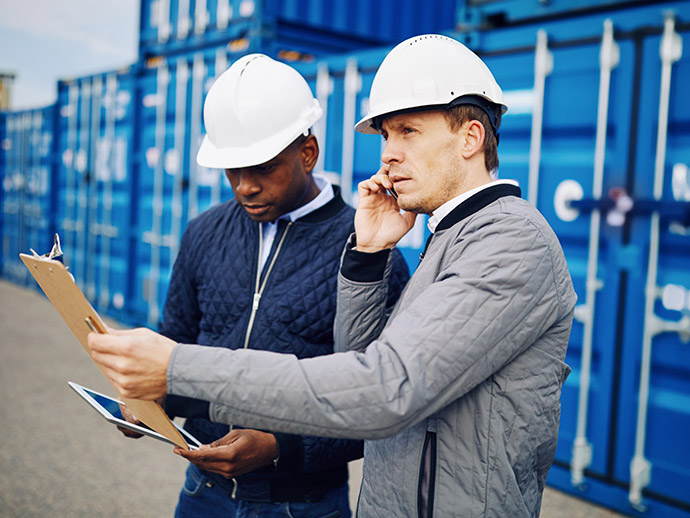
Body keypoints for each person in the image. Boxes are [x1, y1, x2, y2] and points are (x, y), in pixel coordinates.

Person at [90, 35, 576, 518]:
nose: (388, 154)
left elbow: (384, 390)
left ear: (470, 138)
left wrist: (178, 369)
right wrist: (367, 255)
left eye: (407, 131)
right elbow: (360, 364)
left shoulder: (511, 242)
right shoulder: (448, 238)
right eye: (385, 135)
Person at [123, 53, 410, 517]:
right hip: (202, 495)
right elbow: (176, 343)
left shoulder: (369, 251)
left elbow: (385, 400)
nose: (244, 187)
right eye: (232, 170)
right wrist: (149, 400)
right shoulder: (203, 232)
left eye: (261, 168)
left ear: (307, 153)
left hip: (304, 505)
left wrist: (282, 447)